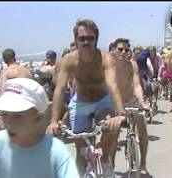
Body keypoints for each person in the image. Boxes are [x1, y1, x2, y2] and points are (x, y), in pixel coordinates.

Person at [46, 19, 126, 177]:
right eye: (82, 39)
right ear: (75, 39)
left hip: (102, 101)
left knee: (112, 126)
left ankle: (104, 160)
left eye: (90, 38)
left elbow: (113, 86)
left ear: (96, 39)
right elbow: (60, 89)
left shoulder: (105, 58)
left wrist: (121, 113)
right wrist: (54, 121)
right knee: (81, 155)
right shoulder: (69, 60)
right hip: (81, 102)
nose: (86, 42)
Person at [0, 78, 79, 178]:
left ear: (37, 118)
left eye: (17, 116)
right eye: (4, 114)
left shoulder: (55, 151)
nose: (9, 122)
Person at [112, 38, 151, 176]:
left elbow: (136, 85)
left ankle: (143, 164)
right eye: (120, 49)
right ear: (113, 51)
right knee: (113, 133)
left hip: (132, 100)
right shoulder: (109, 66)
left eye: (126, 49)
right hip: (115, 103)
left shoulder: (132, 65)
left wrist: (142, 102)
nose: (123, 52)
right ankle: (110, 164)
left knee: (142, 129)